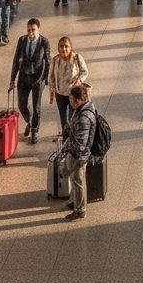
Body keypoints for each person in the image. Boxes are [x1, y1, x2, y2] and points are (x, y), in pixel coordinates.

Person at [8, 18, 50, 144]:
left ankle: (34, 131)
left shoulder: (44, 42)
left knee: (37, 107)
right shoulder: (22, 40)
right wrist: (12, 79)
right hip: (24, 77)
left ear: (38, 29)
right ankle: (30, 121)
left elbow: (48, 61)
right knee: (21, 105)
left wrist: (44, 79)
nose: (30, 33)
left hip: (37, 78)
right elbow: (16, 60)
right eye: (28, 30)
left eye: (33, 30)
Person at [59, 83, 96, 220]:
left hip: (79, 155)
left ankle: (80, 210)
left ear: (80, 99)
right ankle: (76, 203)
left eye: (73, 100)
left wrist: (70, 152)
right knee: (76, 180)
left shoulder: (83, 118)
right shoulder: (83, 109)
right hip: (79, 153)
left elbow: (80, 142)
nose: (71, 103)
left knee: (78, 181)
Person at [49, 36, 89, 137]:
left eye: (66, 46)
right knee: (63, 118)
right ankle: (66, 138)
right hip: (60, 94)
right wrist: (52, 91)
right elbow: (52, 77)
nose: (64, 49)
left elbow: (85, 72)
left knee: (73, 117)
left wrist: (79, 80)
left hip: (73, 94)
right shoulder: (55, 60)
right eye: (61, 46)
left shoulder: (77, 58)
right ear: (58, 48)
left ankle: (73, 137)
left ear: (70, 47)